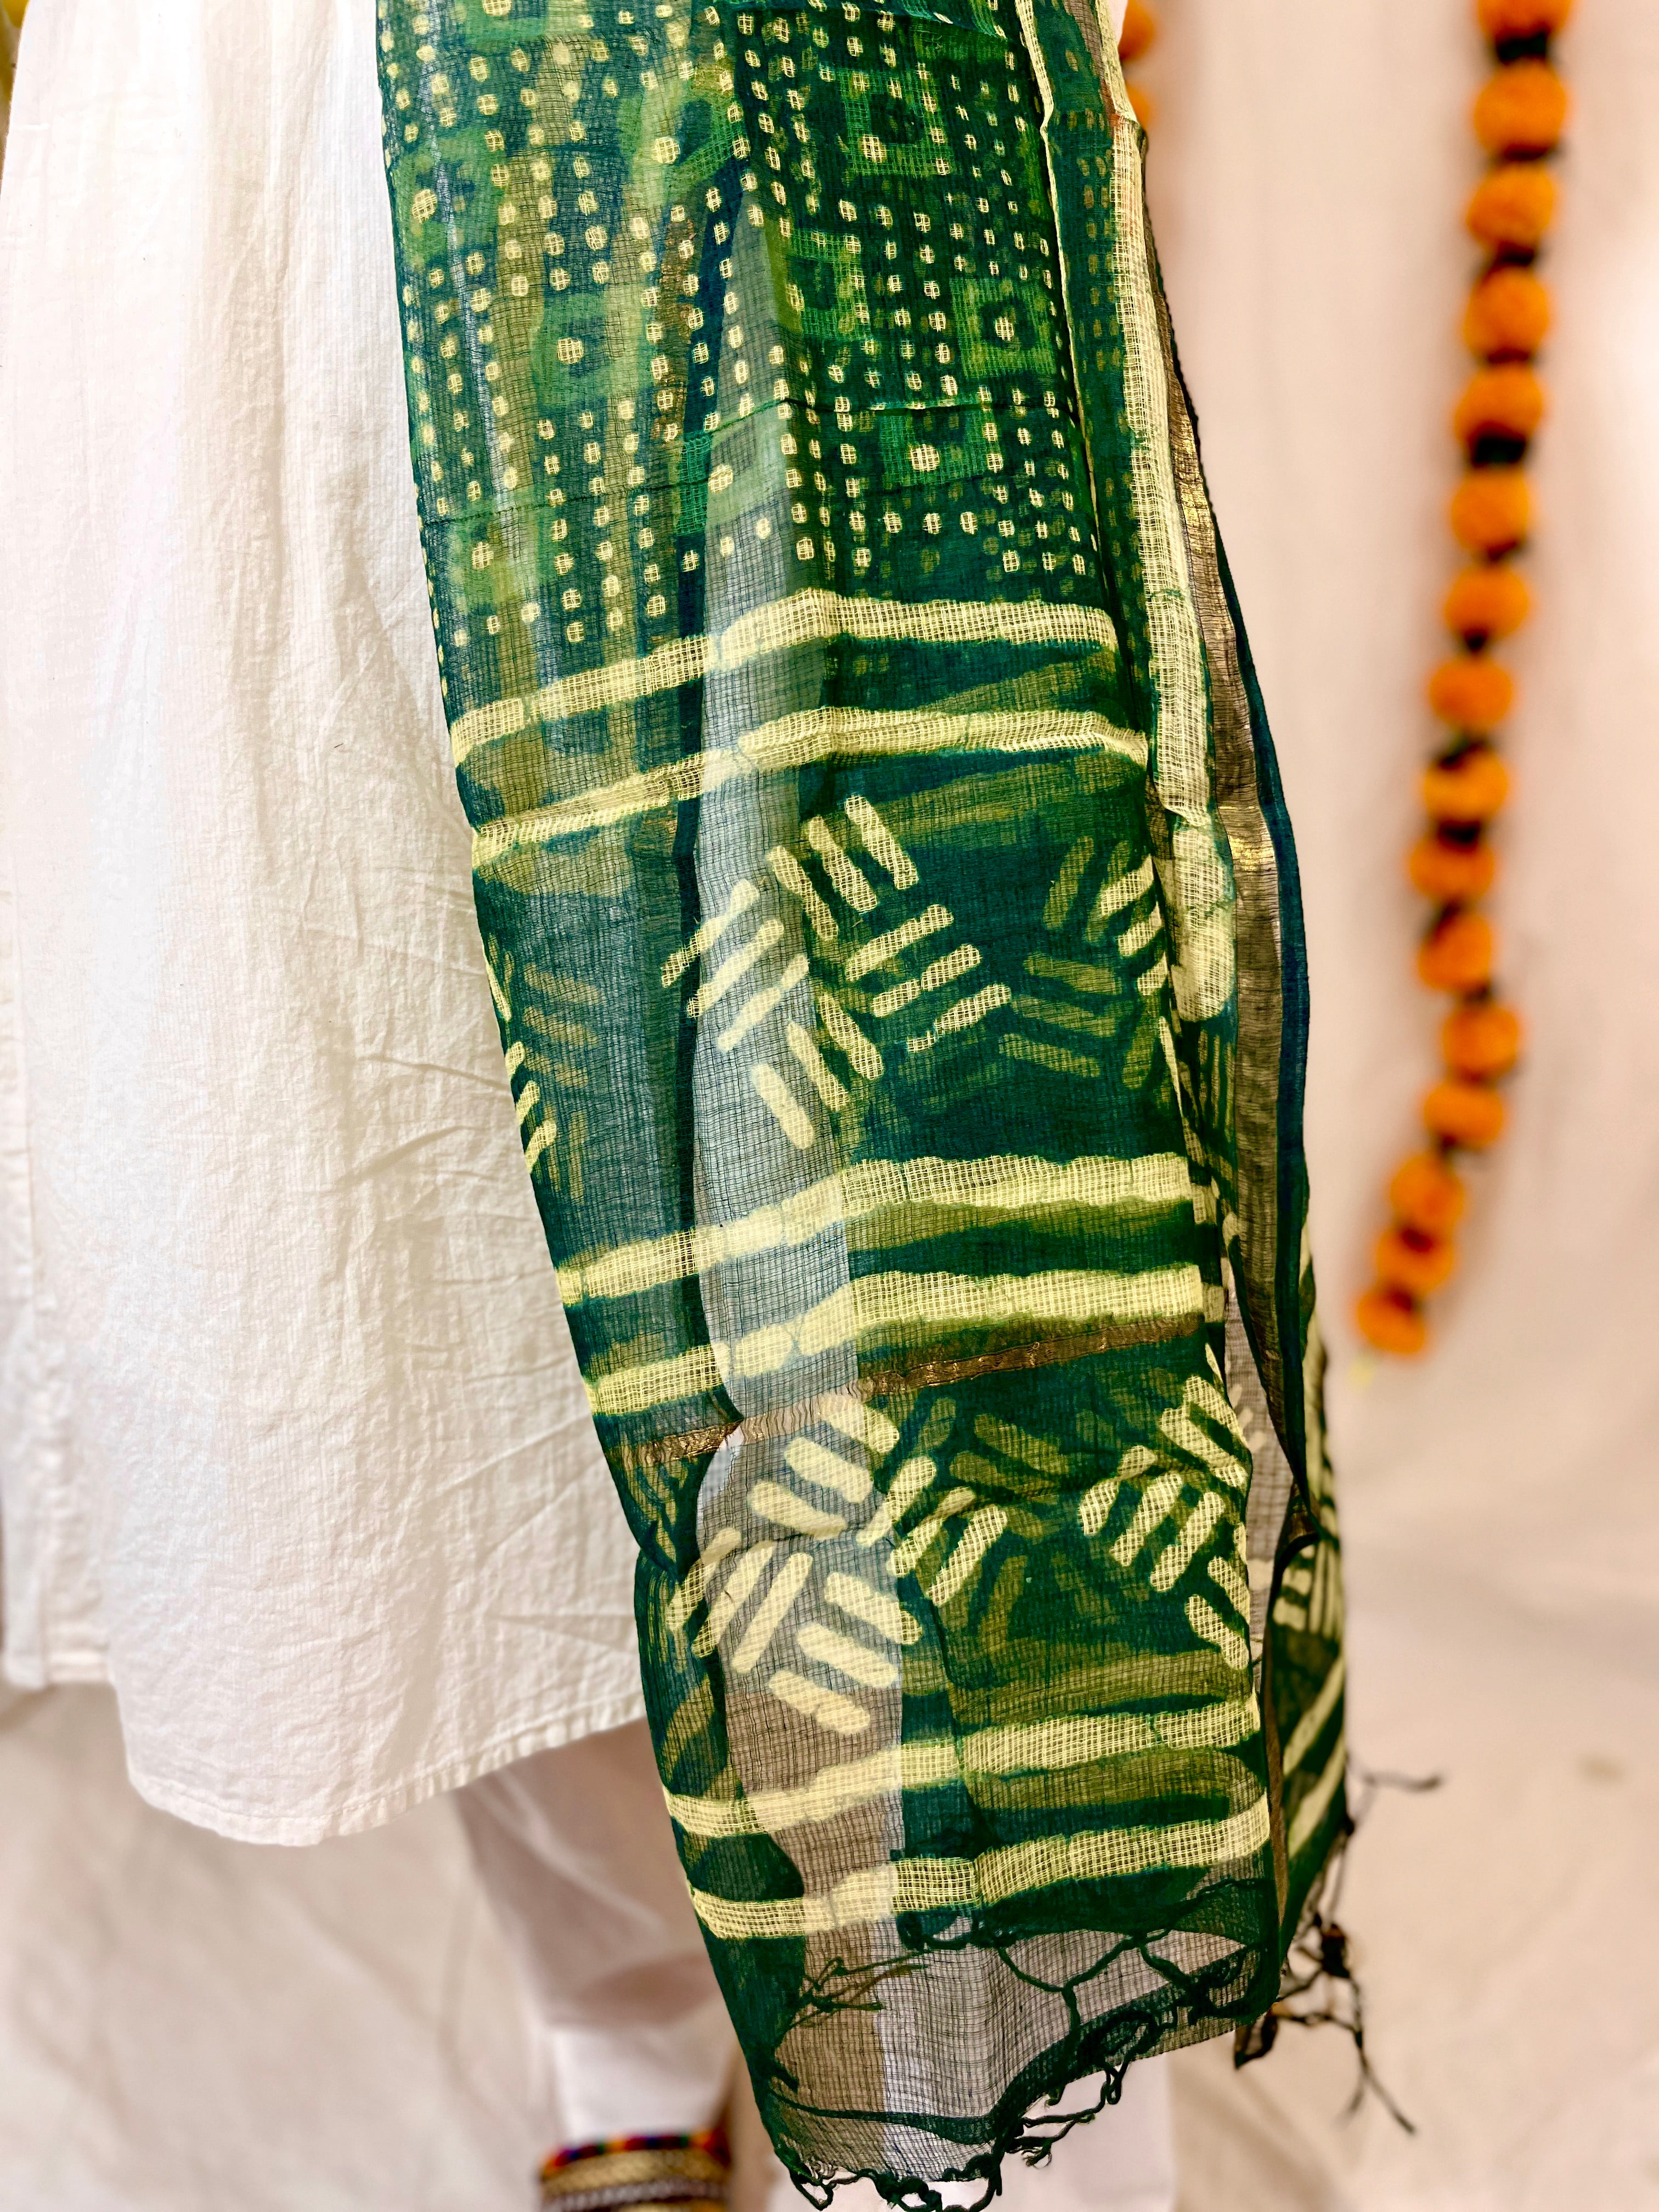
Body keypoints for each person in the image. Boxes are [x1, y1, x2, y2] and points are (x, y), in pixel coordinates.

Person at [0, 1, 1340, 2205]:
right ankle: (613, 2009)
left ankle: (1014, 2086)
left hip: (782, 92)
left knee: (919, 1205)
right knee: (371, 1228)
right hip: (233, 131)